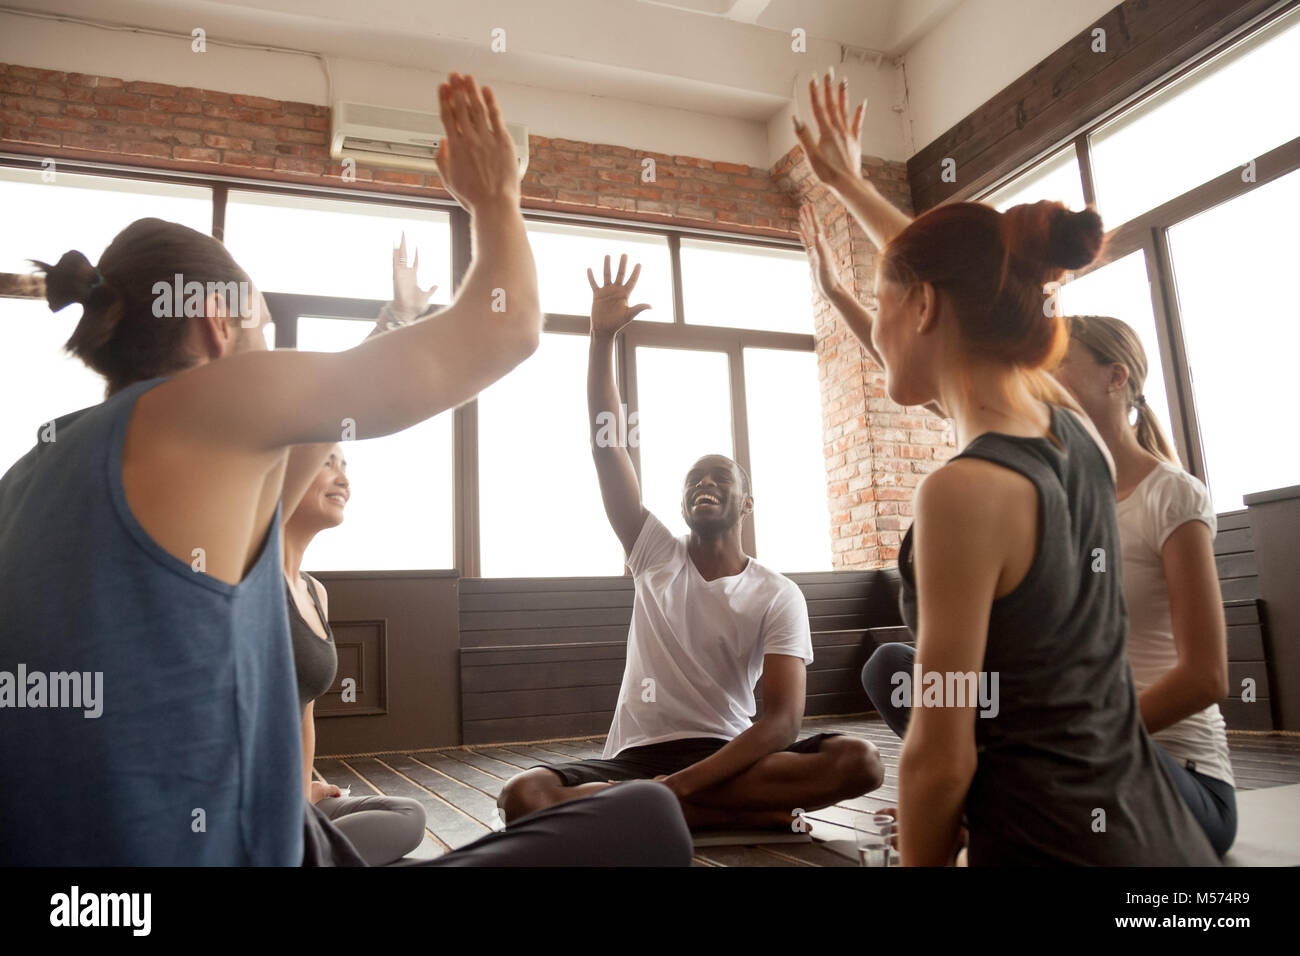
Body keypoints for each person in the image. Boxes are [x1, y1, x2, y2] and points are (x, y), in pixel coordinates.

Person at [1, 72, 690, 867]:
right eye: (264, 328)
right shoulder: (210, 404)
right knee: (647, 822)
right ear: (218, 326)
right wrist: (496, 196)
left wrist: (396, 318)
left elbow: (326, 419)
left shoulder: (36, 472)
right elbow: (505, 330)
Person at [795, 72, 1219, 865]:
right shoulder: (1068, 430)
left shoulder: (962, 492)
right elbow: (967, 276)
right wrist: (850, 185)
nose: (875, 331)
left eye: (880, 306)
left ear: (921, 307)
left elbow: (939, 752)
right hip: (1159, 846)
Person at [496, 254, 884, 831]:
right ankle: (735, 816)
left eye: (719, 476)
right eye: (693, 479)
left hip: (730, 758)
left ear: (745, 503)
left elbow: (779, 723)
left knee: (860, 760)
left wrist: (673, 788)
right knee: (522, 795)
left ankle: (663, 809)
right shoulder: (654, 552)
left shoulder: (778, 594)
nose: (704, 482)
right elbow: (608, 447)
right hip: (634, 760)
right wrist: (602, 338)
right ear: (682, 505)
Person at [1051, 314, 1236, 855]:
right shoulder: (1059, 500)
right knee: (899, 667)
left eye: (1058, 362)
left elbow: (1207, 678)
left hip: (1177, 773)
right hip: (1074, 757)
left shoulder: (1172, 497)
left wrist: (1086, 737)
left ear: (1115, 377)